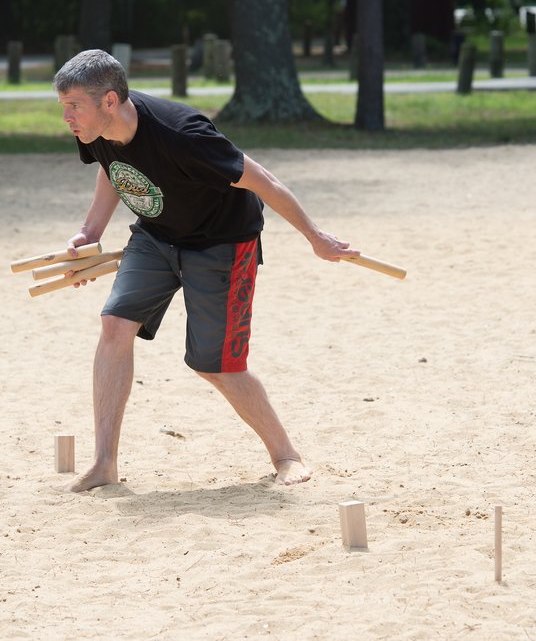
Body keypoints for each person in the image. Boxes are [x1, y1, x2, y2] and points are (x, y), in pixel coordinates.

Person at [52, 49, 359, 493]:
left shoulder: (184, 134)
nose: (67, 117)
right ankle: (104, 463)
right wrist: (89, 232)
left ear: (110, 101)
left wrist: (316, 237)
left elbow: (264, 180)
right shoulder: (96, 127)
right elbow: (113, 168)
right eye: (63, 106)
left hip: (222, 242)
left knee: (216, 365)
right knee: (114, 325)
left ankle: (285, 454)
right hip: (156, 236)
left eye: (73, 105)